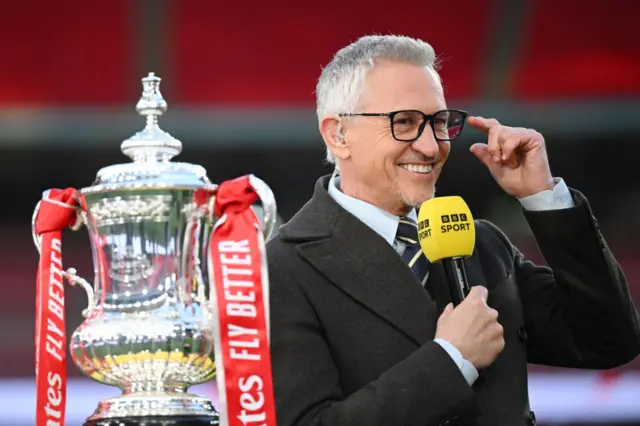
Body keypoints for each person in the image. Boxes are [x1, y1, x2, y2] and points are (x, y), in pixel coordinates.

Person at [265, 35, 640, 426]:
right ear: (337, 134)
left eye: (439, 122)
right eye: (405, 122)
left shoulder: (483, 244)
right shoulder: (281, 270)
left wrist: (543, 198)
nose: (431, 146)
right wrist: (451, 360)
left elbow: (609, 341)